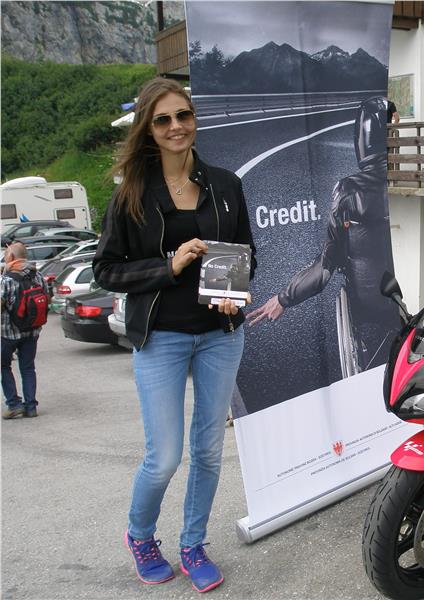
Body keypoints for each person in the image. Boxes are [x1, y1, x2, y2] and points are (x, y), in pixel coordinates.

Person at [93, 77, 256, 593]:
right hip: (161, 337)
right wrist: (168, 266)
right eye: (162, 119)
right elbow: (106, 269)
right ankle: (141, 537)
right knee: (163, 456)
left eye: (182, 115)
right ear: (149, 128)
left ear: (194, 119)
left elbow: (246, 253)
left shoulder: (225, 185)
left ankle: (192, 544)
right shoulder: (132, 194)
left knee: (208, 451)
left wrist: (236, 292)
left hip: (220, 334)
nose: (175, 126)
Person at [246, 96, 397, 377]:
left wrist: (284, 298)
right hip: (404, 303)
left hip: (371, 303)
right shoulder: (409, 182)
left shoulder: (349, 190)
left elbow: (327, 265)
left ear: (361, 140)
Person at [1, 242, 46, 419]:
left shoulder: (6, 280)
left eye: (6, 254)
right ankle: (31, 406)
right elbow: (46, 300)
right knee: (28, 368)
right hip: (32, 331)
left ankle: (14, 405)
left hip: (8, 334)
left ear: (12, 256)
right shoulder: (38, 276)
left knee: (3, 366)